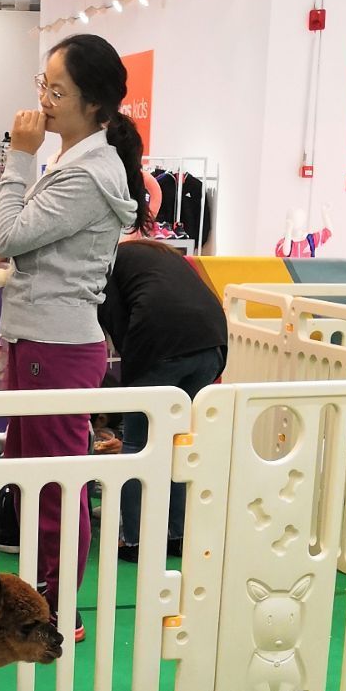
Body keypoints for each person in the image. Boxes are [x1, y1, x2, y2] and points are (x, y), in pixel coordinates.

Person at [0, 33, 145, 640]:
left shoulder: (87, 174)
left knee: (55, 486)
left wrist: (19, 157)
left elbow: (8, 234)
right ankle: (37, 597)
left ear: (94, 104)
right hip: (41, 339)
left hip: (56, 345)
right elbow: (25, 244)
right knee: (31, 479)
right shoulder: (76, 164)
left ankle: (59, 609)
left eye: (58, 92)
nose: (45, 102)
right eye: (43, 86)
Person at [98, 238, 228, 559]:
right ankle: (177, 535)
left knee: (136, 445)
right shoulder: (166, 260)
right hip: (212, 344)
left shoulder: (109, 262)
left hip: (160, 344)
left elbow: (116, 323)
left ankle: (134, 539)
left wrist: (131, 380)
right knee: (177, 443)